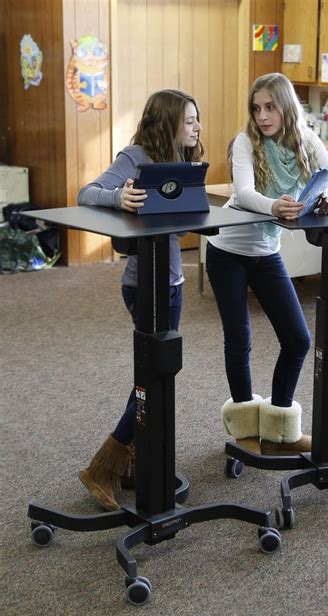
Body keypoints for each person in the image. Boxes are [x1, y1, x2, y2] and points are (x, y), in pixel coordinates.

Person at [77, 89, 203, 510]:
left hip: (172, 282)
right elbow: (87, 193)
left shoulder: (181, 161)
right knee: (156, 374)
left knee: (158, 371)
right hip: (143, 284)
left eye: (196, 120)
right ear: (168, 122)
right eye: (189, 120)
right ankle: (104, 465)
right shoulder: (135, 156)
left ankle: (128, 461)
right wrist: (120, 197)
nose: (196, 127)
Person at [206, 73, 328, 456]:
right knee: (239, 338)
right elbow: (244, 193)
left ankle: (281, 427)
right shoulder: (246, 142)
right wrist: (275, 206)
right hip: (228, 250)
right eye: (256, 108)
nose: (262, 116)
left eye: (270, 107)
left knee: (298, 339)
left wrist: (327, 198)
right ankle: (246, 430)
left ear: (286, 106)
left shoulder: (306, 139)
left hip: (266, 252)